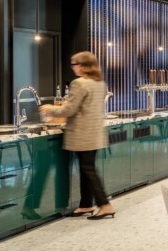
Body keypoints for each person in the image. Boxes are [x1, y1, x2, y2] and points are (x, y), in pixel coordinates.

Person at [39, 51, 115, 220]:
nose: (72, 67)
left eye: (74, 64)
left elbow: (69, 110)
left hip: (82, 134)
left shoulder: (79, 83)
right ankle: (85, 204)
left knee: (88, 170)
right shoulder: (99, 83)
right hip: (95, 132)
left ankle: (105, 204)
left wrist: (49, 109)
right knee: (86, 168)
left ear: (83, 66)